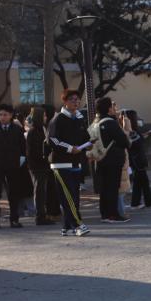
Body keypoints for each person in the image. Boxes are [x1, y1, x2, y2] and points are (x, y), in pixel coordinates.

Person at [47, 89, 92, 236]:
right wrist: (69, 148)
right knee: (68, 197)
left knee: (75, 197)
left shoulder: (79, 118)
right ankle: (78, 225)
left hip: (76, 163)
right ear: (65, 102)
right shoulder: (57, 119)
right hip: (61, 164)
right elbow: (52, 140)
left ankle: (66, 226)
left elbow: (85, 137)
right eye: (72, 99)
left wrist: (89, 144)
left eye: (77, 99)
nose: (76, 102)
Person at [90, 96, 132, 223]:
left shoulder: (95, 123)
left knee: (104, 188)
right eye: (112, 106)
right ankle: (113, 214)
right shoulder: (111, 123)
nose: (114, 109)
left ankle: (104, 214)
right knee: (113, 187)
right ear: (109, 109)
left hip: (99, 159)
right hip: (113, 160)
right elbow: (124, 141)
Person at [0, 105, 26, 229]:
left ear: (10, 115)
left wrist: (22, 158)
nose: (2, 117)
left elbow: (23, 146)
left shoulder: (17, 129)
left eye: (5, 115)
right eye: (0, 115)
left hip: (12, 165)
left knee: (13, 192)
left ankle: (14, 219)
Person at [26, 106, 56, 225]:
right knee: (39, 191)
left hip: (42, 165)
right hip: (38, 166)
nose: (45, 117)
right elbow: (34, 151)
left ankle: (43, 214)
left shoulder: (41, 129)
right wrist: (45, 158)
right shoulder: (34, 131)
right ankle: (40, 216)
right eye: (43, 115)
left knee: (42, 191)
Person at [126, 109, 151, 210]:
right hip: (137, 160)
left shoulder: (132, 130)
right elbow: (135, 143)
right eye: (135, 117)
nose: (137, 119)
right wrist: (142, 137)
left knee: (138, 182)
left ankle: (135, 202)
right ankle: (150, 201)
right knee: (144, 181)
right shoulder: (131, 131)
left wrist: (143, 136)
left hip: (137, 160)